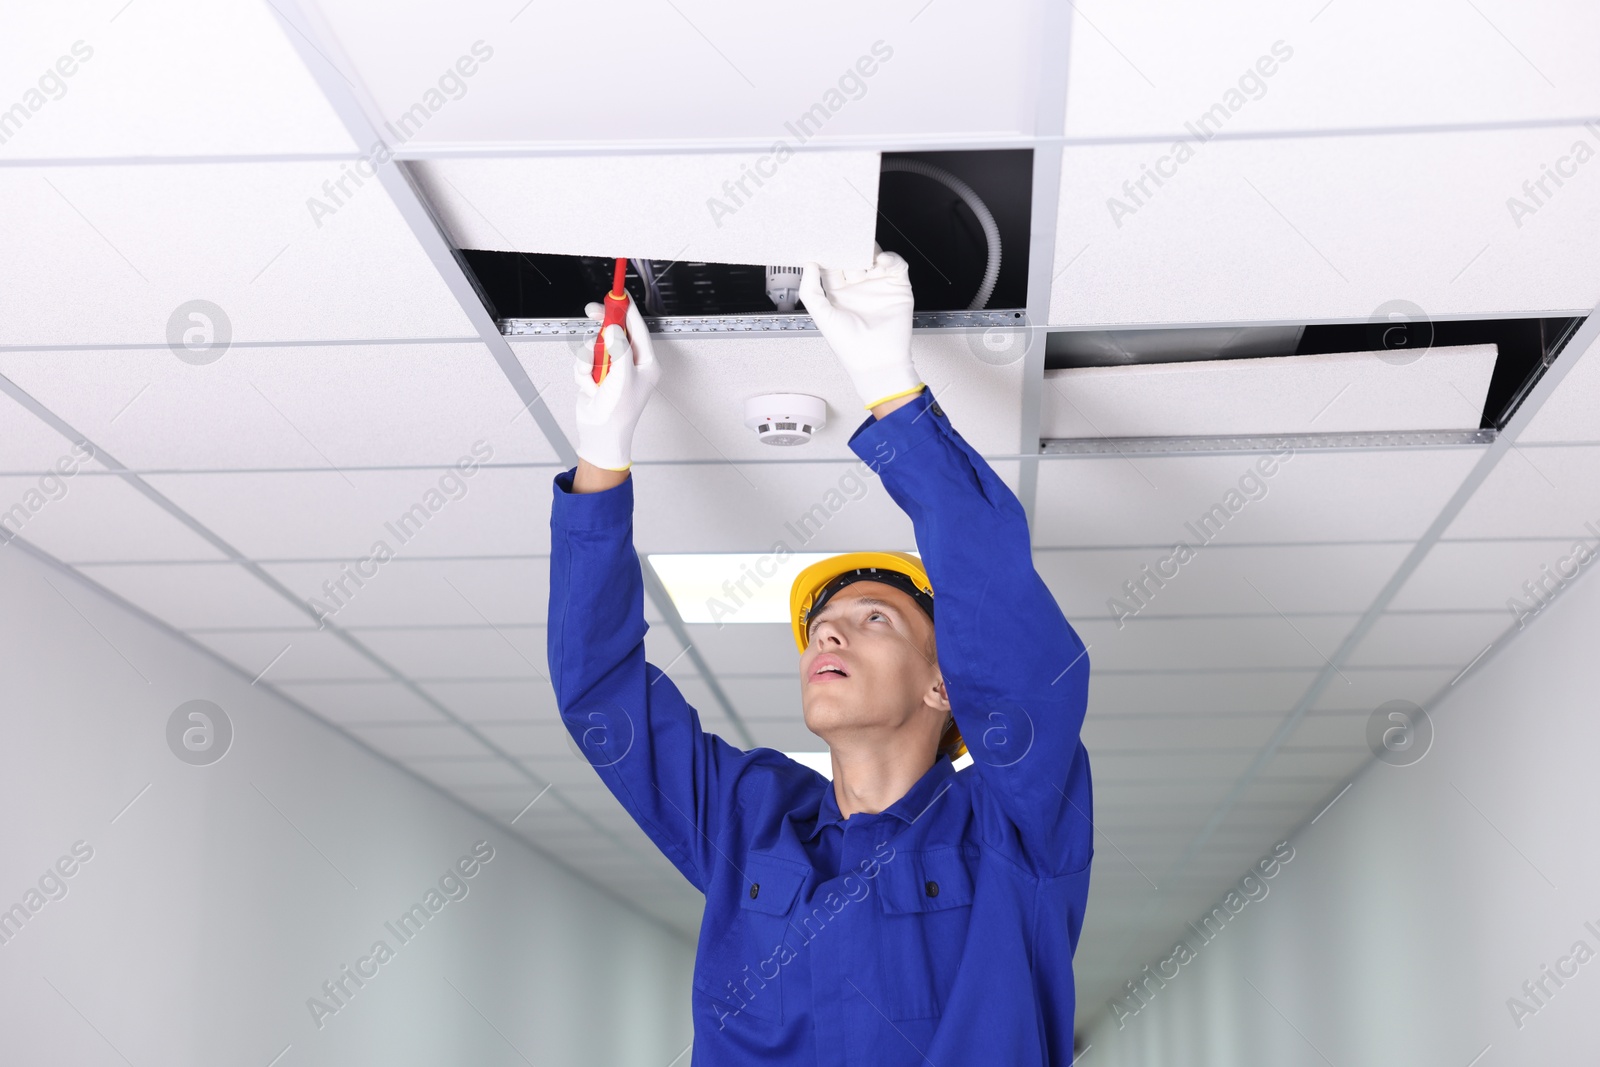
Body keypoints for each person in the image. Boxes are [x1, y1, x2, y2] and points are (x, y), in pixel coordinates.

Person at [546, 249, 1094, 1065]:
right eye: (822, 624)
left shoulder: (1014, 826)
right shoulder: (747, 819)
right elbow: (602, 697)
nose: (828, 635)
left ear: (945, 683)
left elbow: (998, 608)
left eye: (874, 618)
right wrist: (601, 456)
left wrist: (891, 387)